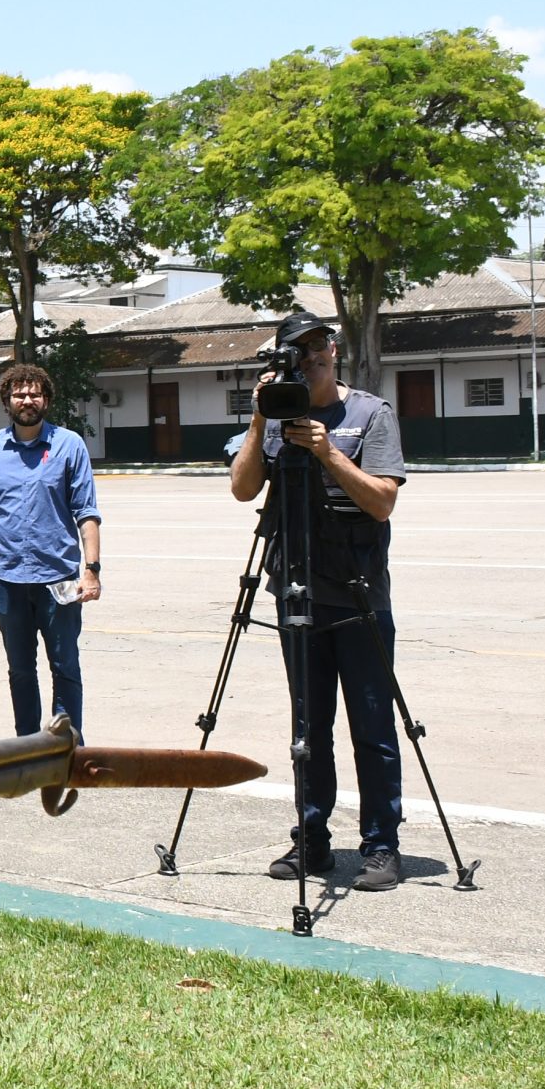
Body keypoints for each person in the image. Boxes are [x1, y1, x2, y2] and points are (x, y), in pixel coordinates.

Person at [227, 309, 409, 892]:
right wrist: (260, 422)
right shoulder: (276, 415)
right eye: (298, 353)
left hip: (358, 594)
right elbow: (243, 489)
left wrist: (329, 452)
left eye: (317, 348)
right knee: (310, 727)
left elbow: (382, 502)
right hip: (297, 589)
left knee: (373, 728)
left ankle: (382, 845)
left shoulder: (369, 413)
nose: (311, 360)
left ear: (334, 350)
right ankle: (312, 839)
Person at [0, 361, 101, 739]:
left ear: (47, 399)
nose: (27, 399)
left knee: (65, 665)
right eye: (19, 393)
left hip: (58, 579)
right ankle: (27, 746)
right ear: (6, 400)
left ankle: (67, 744)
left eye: (35, 392)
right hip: (9, 579)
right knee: (20, 669)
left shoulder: (69, 444)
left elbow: (87, 511)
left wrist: (91, 569)